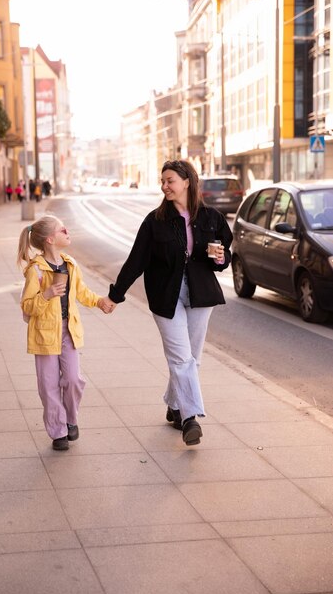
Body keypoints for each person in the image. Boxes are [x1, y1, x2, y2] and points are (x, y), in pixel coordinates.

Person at [106, 160, 233, 446]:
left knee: (192, 359)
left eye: (170, 180)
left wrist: (219, 257)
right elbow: (136, 260)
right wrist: (115, 295)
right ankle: (189, 419)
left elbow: (224, 260)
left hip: (201, 295)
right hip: (166, 296)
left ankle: (175, 405)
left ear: (187, 181)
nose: (165, 186)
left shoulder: (211, 218)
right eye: (163, 181)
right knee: (181, 357)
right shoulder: (155, 221)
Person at [17, 214, 112, 451]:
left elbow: (81, 292)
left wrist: (99, 301)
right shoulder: (36, 271)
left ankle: (71, 418)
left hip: (69, 331)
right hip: (45, 335)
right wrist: (46, 295)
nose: (67, 232)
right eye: (63, 230)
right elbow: (27, 306)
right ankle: (58, 431)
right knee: (48, 385)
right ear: (50, 239)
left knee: (73, 380)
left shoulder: (70, 264)